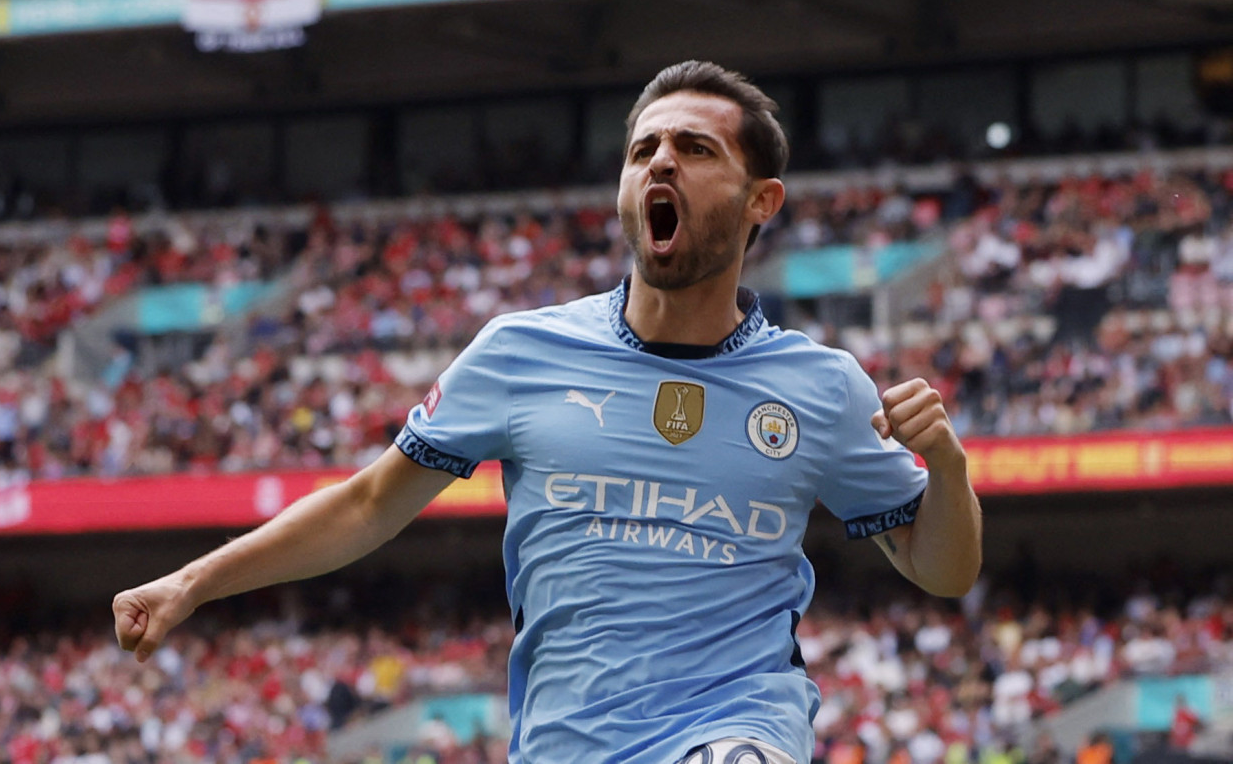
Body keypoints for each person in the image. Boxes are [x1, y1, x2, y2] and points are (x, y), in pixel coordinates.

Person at [113, 60, 982, 764]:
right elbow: (370, 504)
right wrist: (192, 581)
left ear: (763, 200)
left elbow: (942, 569)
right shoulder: (520, 353)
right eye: (644, 150)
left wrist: (947, 468)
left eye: (695, 147)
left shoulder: (821, 387)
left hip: (736, 724)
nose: (661, 162)